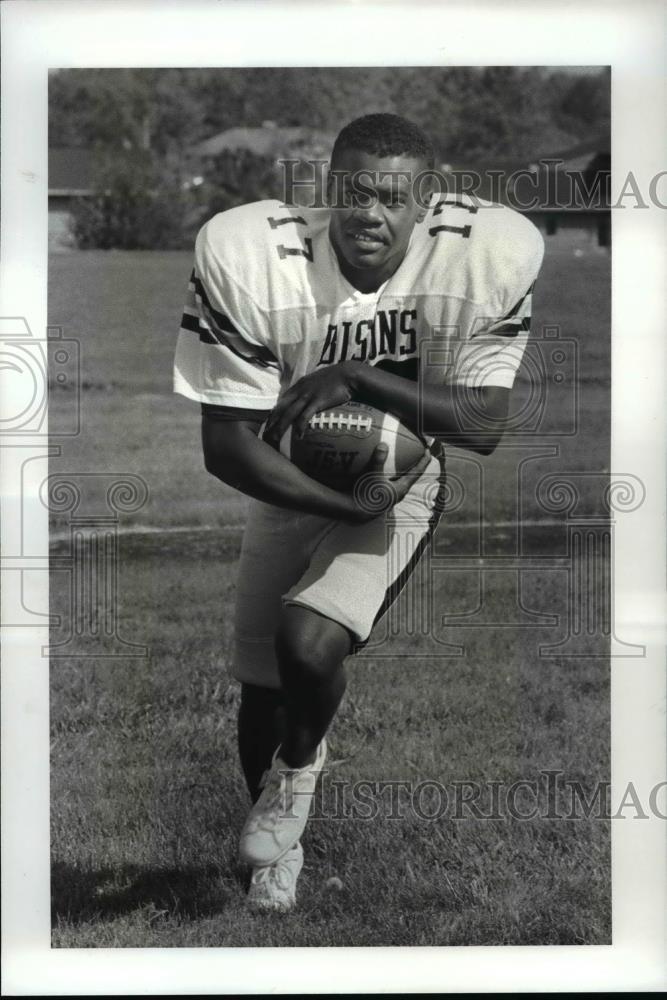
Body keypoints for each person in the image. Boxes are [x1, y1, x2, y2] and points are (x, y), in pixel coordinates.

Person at [173, 113, 544, 912]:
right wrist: (334, 497)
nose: (369, 213)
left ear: (428, 202)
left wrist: (358, 378)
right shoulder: (255, 257)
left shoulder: (484, 255)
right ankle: (280, 851)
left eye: (393, 197)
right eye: (355, 192)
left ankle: (297, 772)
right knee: (262, 684)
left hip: (404, 484)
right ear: (330, 188)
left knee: (307, 644)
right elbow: (225, 447)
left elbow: (481, 424)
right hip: (292, 475)